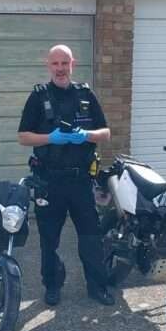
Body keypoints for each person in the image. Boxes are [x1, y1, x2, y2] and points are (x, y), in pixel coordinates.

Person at [18, 45, 114, 307]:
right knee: (49, 240)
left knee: (91, 237)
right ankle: (52, 286)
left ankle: (97, 286)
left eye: (64, 63)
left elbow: (105, 133)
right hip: (49, 182)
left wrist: (88, 135)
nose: (60, 68)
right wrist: (50, 138)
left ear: (73, 63)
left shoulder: (85, 94)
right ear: (48, 66)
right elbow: (23, 136)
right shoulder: (38, 97)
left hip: (81, 181)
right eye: (55, 64)